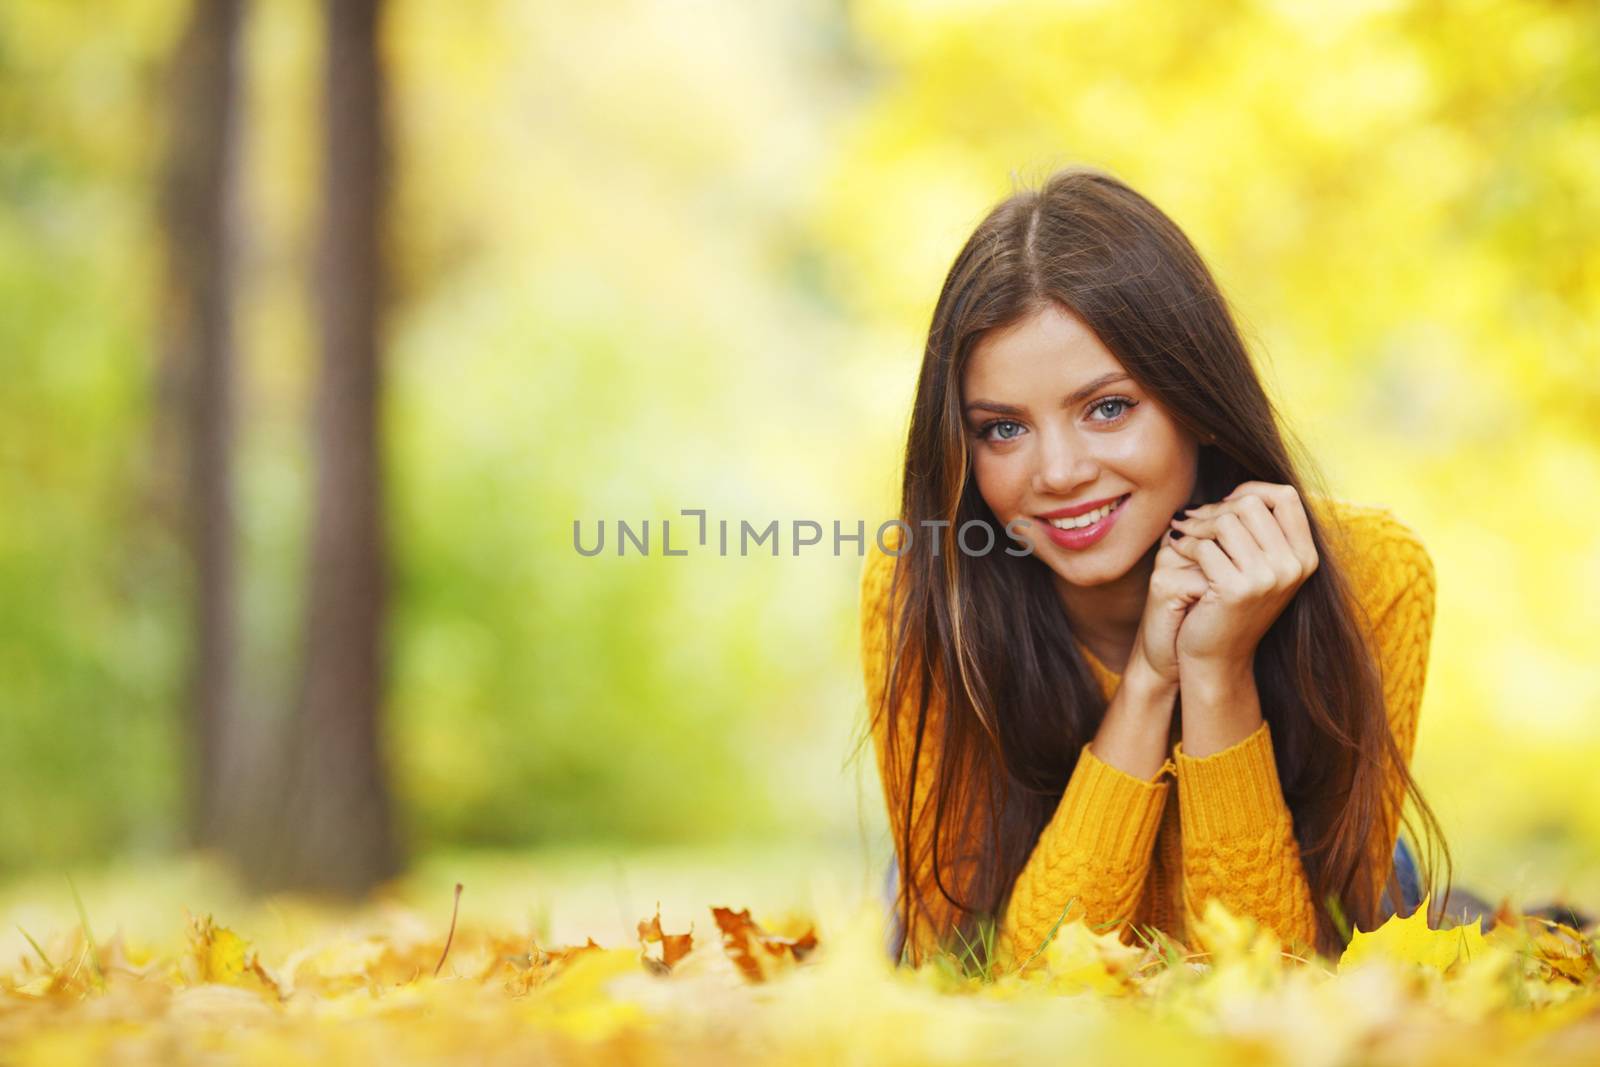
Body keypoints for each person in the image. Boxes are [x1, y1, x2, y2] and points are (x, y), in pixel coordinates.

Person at [855, 166, 1457, 974]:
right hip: (1005, 900)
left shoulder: (1372, 573)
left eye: (1108, 407)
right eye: (1002, 429)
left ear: (1196, 400)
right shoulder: (930, 591)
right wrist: (1147, 680)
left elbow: (1280, 982)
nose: (1060, 471)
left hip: (1312, 888)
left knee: (1391, 903)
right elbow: (1001, 986)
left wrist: (1216, 671)